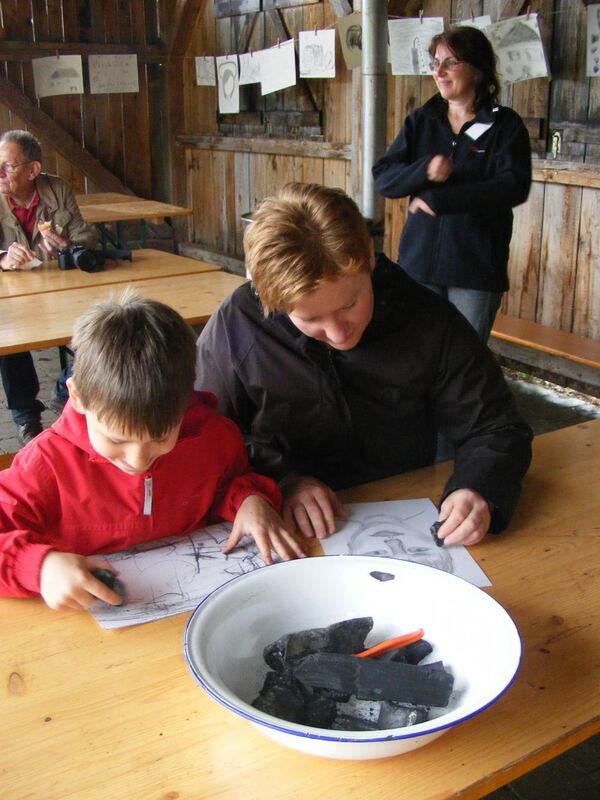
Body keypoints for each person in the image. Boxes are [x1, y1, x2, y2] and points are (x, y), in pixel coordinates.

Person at [195, 182, 533, 550]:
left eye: (349, 304)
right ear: (272, 300)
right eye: (310, 319)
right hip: (281, 528)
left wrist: (477, 485)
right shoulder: (238, 325)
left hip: (400, 519)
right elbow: (199, 436)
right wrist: (282, 480)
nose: (338, 333)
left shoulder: (424, 318)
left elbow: (495, 426)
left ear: (369, 257)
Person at [0, 290, 302, 609]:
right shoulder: (46, 464)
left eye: (160, 437)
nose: (138, 460)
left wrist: (247, 499)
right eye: (116, 440)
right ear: (77, 396)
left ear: (186, 401)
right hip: (88, 630)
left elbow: (228, 482)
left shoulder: (214, 437)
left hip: (191, 610)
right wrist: (39, 567)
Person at [372, 26, 532, 341]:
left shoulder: (504, 125)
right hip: (418, 265)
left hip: (474, 268)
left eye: (450, 63)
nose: (439, 72)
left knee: (465, 359)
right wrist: (424, 170)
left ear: (476, 70)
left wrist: (442, 200)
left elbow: (513, 185)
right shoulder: (422, 120)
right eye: (436, 63)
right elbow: (384, 178)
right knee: (417, 353)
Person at [0, 129, 99, 446]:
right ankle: (26, 419)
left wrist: (66, 245)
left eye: (8, 166)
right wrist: (2, 257)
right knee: (8, 341)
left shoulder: (56, 189)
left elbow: (88, 239)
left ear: (33, 170)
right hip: (9, 293)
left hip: (57, 290)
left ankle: (69, 400)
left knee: (91, 329)